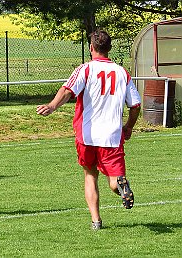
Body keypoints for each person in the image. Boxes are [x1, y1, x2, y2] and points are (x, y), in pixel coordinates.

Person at [36, 29, 141, 230]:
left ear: (91, 48)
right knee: (113, 179)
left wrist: (51, 106)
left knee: (90, 175)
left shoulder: (85, 69)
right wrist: (128, 127)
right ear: (109, 49)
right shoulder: (122, 73)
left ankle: (96, 221)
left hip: (88, 135)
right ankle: (121, 185)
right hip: (112, 135)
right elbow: (135, 105)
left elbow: (67, 90)